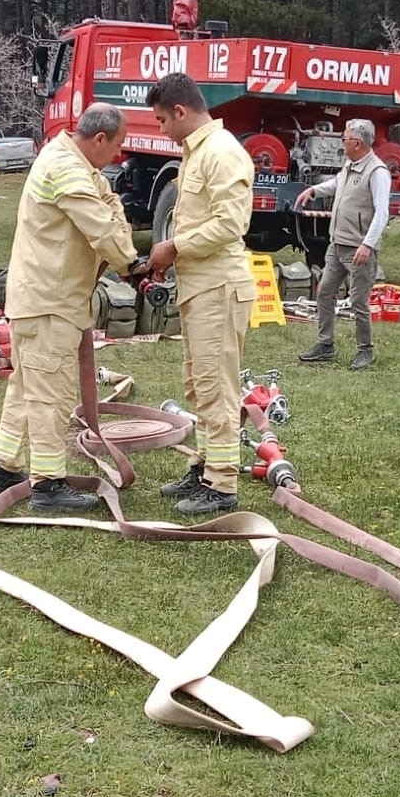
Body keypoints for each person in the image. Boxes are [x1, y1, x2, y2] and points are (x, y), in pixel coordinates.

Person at [0, 103, 138, 512]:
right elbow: (100, 224)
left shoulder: (77, 163)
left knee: (27, 388)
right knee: (51, 394)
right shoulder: (65, 168)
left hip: (49, 298)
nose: (119, 155)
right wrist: (131, 265)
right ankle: (48, 485)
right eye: (117, 146)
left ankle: (4, 468)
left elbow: (111, 205)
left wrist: (119, 240)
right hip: (48, 301)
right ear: (100, 139)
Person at [143, 72, 256, 515]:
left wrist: (175, 246)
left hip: (219, 287)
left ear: (181, 112)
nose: (160, 129)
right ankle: (207, 466)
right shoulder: (197, 152)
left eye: (160, 121)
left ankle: (222, 484)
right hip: (199, 288)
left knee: (218, 386)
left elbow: (231, 224)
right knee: (200, 384)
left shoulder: (223, 153)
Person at [296, 118, 390, 371]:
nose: (342, 143)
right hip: (336, 244)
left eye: (345, 139)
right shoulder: (350, 164)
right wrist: (314, 190)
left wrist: (367, 245)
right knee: (325, 291)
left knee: (358, 301)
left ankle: (365, 350)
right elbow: (337, 184)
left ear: (357, 143)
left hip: (359, 250)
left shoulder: (377, 172)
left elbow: (382, 214)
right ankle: (325, 345)